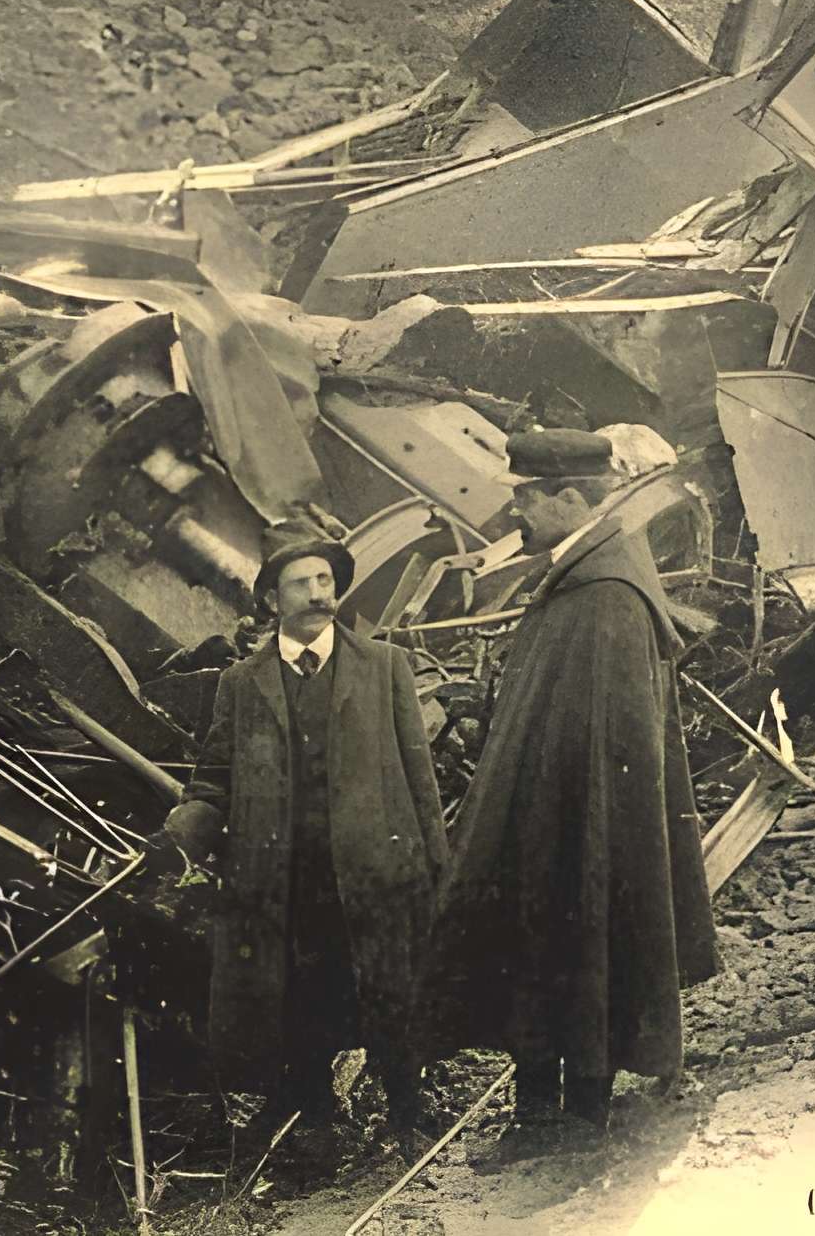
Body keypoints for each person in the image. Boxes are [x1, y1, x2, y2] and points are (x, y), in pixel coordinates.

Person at [419, 429, 718, 1161]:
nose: (515, 510)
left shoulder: (606, 594)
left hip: (577, 822)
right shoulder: (579, 573)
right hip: (552, 812)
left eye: (526, 496)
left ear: (571, 498)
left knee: (577, 942)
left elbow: (608, 741)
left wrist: (552, 809)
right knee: (551, 947)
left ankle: (574, 1116)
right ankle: (547, 1111)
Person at [161, 519, 448, 1154]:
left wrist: (434, 866)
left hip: (376, 869)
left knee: (390, 989)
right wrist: (182, 835)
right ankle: (317, 1117)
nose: (320, 593)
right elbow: (214, 778)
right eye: (302, 583)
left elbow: (419, 776)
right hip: (286, 877)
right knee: (302, 998)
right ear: (270, 601)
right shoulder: (242, 683)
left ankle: (405, 1109)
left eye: (326, 580)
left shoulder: (386, 667)